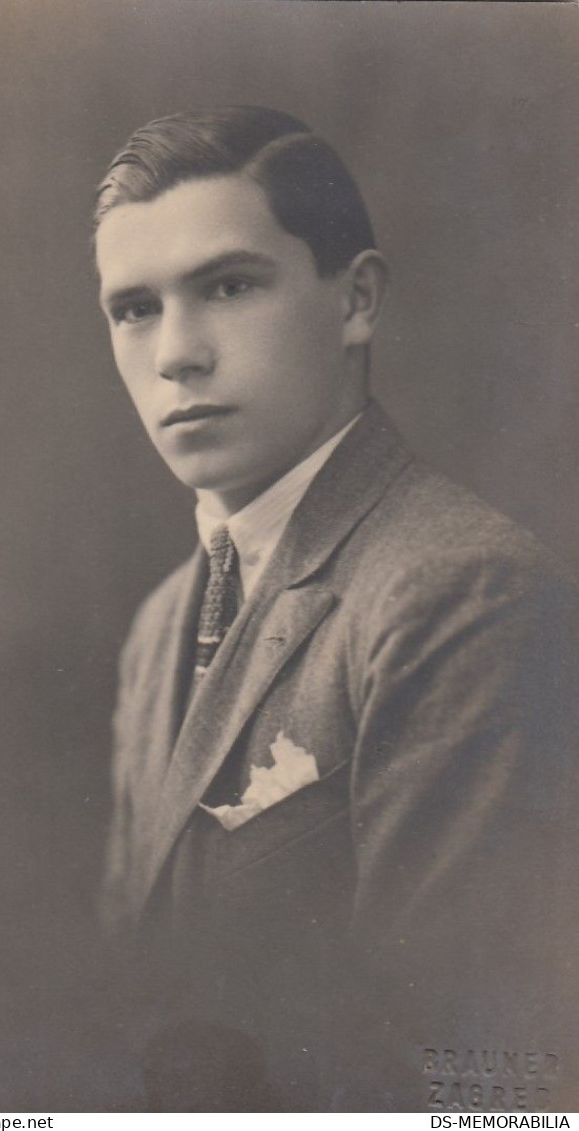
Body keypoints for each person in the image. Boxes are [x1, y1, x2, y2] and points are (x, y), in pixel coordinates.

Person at [92, 106, 579, 1112]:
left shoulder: (459, 589)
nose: (176, 354)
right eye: (134, 308)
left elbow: (472, 1078)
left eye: (227, 287)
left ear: (354, 299)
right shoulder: (156, 630)